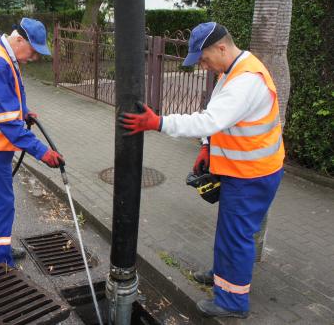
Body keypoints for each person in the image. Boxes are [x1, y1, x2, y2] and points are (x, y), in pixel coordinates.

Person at [119, 22, 285, 318]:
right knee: (229, 230)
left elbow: (209, 119)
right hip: (242, 170)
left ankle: (232, 302)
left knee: (237, 235)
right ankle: (223, 275)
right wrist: (207, 148)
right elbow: (221, 119)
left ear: (221, 47)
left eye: (204, 59)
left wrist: (159, 123)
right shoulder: (232, 70)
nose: (204, 66)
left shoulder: (246, 81)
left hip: (252, 174)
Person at [0, 17, 65, 268]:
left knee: (1, 202)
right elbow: (8, 125)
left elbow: (10, 93)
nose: (34, 58)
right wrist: (43, 153)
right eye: (33, 52)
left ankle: (2, 249)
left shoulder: (3, 52)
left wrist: (23, 111)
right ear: (20, 40)